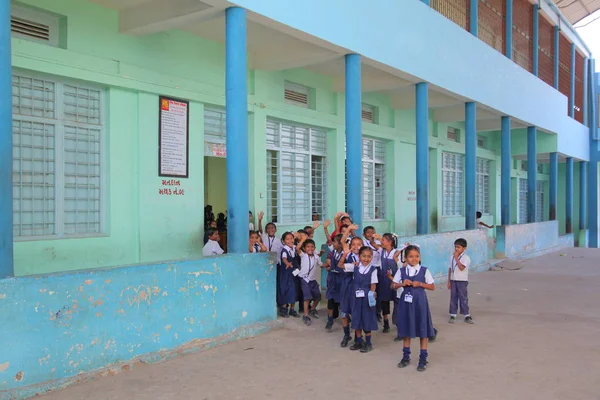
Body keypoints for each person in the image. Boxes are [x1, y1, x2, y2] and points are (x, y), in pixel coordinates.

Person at [392, 245, 435, 372]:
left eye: (417, 256)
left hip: (420, 304)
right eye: (411, 256)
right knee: (406, 329)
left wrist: (420, 284)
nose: (414, 259)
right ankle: (406, 357)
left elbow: (432, 286)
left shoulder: (424, 270)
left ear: (420, 257)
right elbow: (393, 285)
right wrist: (401, 283)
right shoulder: (401, 271)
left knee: (423, 329)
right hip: (406, 304)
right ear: (405, 258)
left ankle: (423, 358)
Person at [349, 246, 379, 353]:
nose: (366, 259)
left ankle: (368, 342)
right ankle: (358, 341)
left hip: (367, 298)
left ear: (372, 257)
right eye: (363, 256)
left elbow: (373, 284)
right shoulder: (355, 267)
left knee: (367, 319)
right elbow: (339, 266)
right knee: (356, 318)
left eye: (368, 256)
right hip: (355, 297)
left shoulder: (373, 269)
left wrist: (371, 295)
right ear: (359, 256)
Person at [338, 228, 362, 348]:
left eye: (359, 244)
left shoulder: (365, 257)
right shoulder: (348, 254)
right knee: (344, 311)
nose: (356, 246)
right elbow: (343, 241)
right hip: (347, 286)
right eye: (354, 244)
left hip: (359, 287)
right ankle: (346, 334)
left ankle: (359, 338)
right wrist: (348, 229)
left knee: (356, 312)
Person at [296, 234, 323, 326]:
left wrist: (329, 266)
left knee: (318, 296)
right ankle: (305, 315)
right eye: (307, 247)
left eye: (312, 246)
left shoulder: (316, 257)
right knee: (307, 297)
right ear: (304, 248)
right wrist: (303, 239)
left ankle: (312, 309)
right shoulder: (303, 255)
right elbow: (297, 249)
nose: (310, 248)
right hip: (304, 279)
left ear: (315, 248)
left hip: (312, 280)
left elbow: (321, 265)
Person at [378, 233, 401, 334]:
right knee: (384, 302)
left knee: (397, 302)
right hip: (384, 280)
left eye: (383, 240)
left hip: (395, 280)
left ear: (390, 242)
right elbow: (374, 245)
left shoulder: (397, 253)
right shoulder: (381, 251)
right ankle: (386, 323)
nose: (381, 242)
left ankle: (397, 322)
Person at [448, 238, 474, 324]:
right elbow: (450, 269)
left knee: (463, 297)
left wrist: (456, 258)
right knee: (453, 297)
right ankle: (453, 314)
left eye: (458, 247)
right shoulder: (451, 257)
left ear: (464, 248)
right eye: (455, 247)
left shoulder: (466, 258)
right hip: (453, 280)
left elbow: (461, 267)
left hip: (462, 280)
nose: (456, 249)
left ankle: (467, 315)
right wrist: (449, 280)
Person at [324, 234, 344, 331]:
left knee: (342, 301)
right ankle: (330, 319)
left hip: (341, 280)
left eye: (335, 241)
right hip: (332, 279)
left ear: (341, 243)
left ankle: (346, 320)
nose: (333, 243)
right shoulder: (333, 252)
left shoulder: (345, 253)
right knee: (330, 300)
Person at [278, 232, 300, 318]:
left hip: (294, 273)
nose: (290, 240)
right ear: (283, 241)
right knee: (285, 290)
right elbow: (284, 258)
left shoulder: (294, 248)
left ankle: (292, 310)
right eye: (287, 239)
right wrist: (287, 263)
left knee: (294, 290)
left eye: (291, 238)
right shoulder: (285, 249)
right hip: (286, 274)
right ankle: (284, 309)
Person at [362, 226, 382, 321]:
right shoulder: (363, 243)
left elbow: (386, 248)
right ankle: (368, 310)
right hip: (366, 268)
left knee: (376, 291)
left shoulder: (378, 243)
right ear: (364, 234)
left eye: (372, 232)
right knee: (367, 290)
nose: (370, 234)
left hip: (377, 268)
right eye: (368, 232)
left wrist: (379, 239)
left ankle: (377, 312)